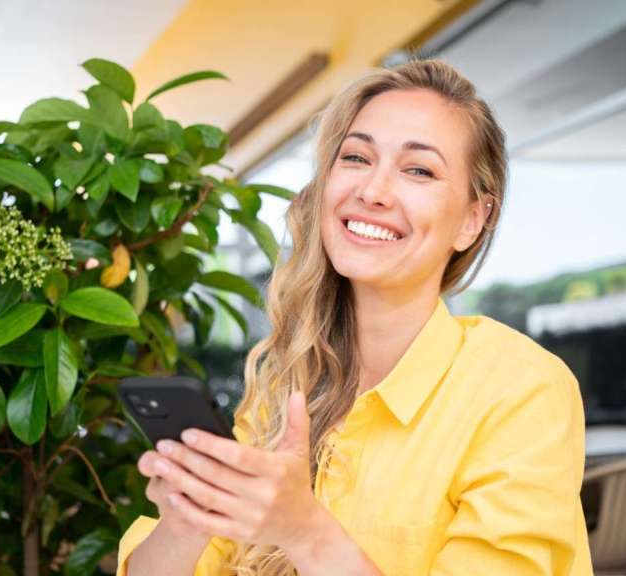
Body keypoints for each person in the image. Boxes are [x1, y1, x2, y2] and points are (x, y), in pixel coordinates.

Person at [116, 58, 592, 576]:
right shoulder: (287, 381)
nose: (373, 191)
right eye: (356, 157)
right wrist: (190, 520)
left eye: (418, 170)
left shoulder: (521, 390)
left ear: (473, 220)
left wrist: (304, 532)